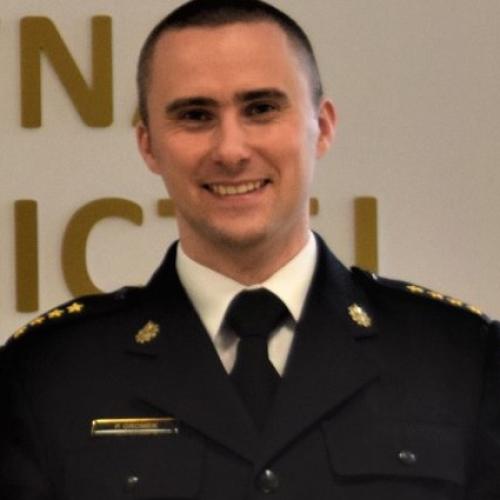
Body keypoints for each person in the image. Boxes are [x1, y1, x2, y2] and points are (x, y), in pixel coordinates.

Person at [1, 0, 499, 498]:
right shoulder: (47, 375)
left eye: (261, 109)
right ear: (148, 145)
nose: (231, 150)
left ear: (321, 127)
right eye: (195, 115)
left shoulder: (461, 362)